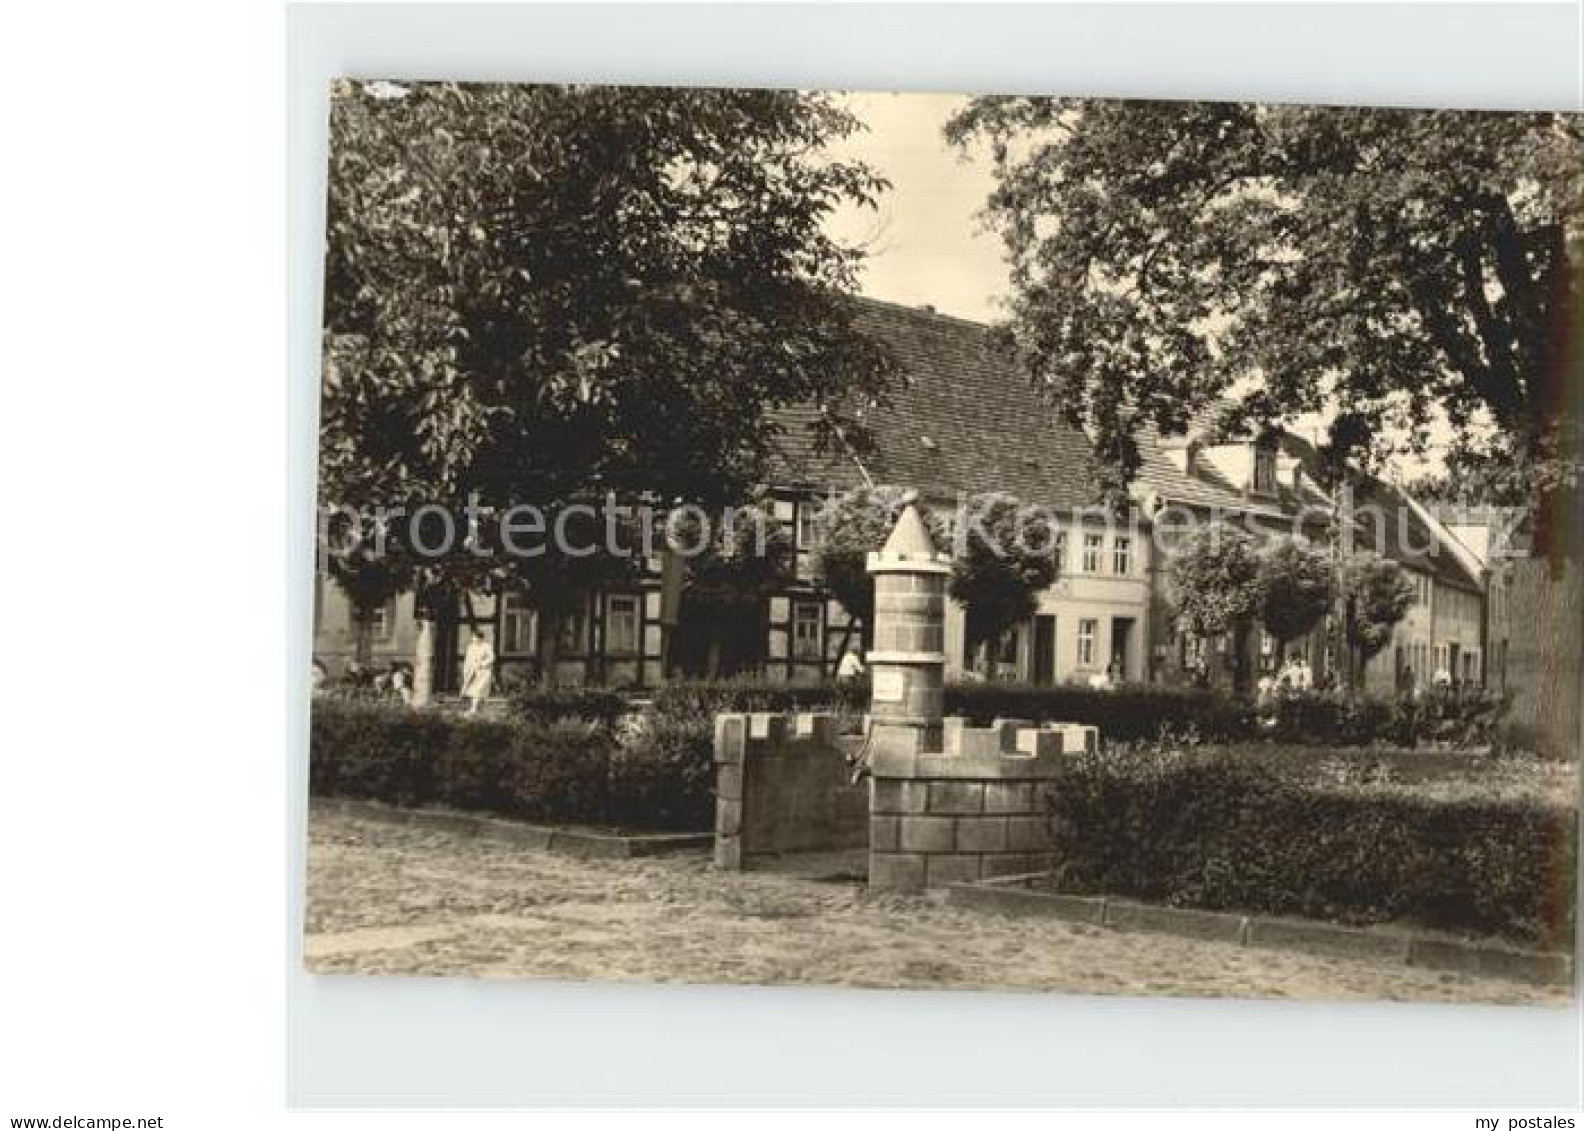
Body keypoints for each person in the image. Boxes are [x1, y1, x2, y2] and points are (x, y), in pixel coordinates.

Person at [461, 629, 495, 715]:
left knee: (479, 690)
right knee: (472, 690)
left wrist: (482, 664)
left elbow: (492, 657)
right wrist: (466, 670)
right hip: (473, 671)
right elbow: (468, 660)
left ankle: (474, 709)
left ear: (480, 638)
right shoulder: (470, 647)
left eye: (475, 637)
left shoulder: (486, 646)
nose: (473, 639)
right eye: (473, 637)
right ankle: (478, 709)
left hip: (484, 672)